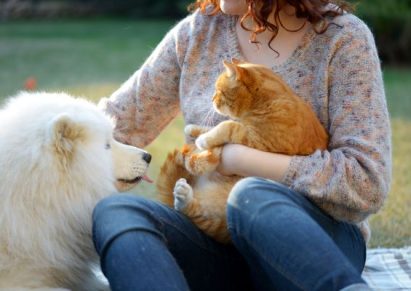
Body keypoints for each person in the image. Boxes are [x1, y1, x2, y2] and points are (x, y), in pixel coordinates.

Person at [92, 0, 392, 290]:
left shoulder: (342, 39)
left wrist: (238, 158)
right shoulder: (198, 33)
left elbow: (366, 182)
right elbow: (113, 125)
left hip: (314, 247)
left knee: (249, 195)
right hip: (213, 243)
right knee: (116, 211)